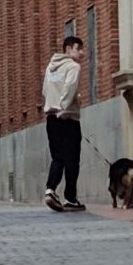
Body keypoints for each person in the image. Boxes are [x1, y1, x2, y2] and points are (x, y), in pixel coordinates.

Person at [42, 34, 85, 213]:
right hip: (67, 118)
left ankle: (50, 190)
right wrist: (65, 107)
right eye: (79, 48)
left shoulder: (50, 68)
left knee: (57, 156)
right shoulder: (73, 66)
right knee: (72, 158)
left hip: (51, 117)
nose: (82, 53)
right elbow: (69, 87)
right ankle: (70, 198)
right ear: (68, 50)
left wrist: (54, 107)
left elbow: (45, 90)